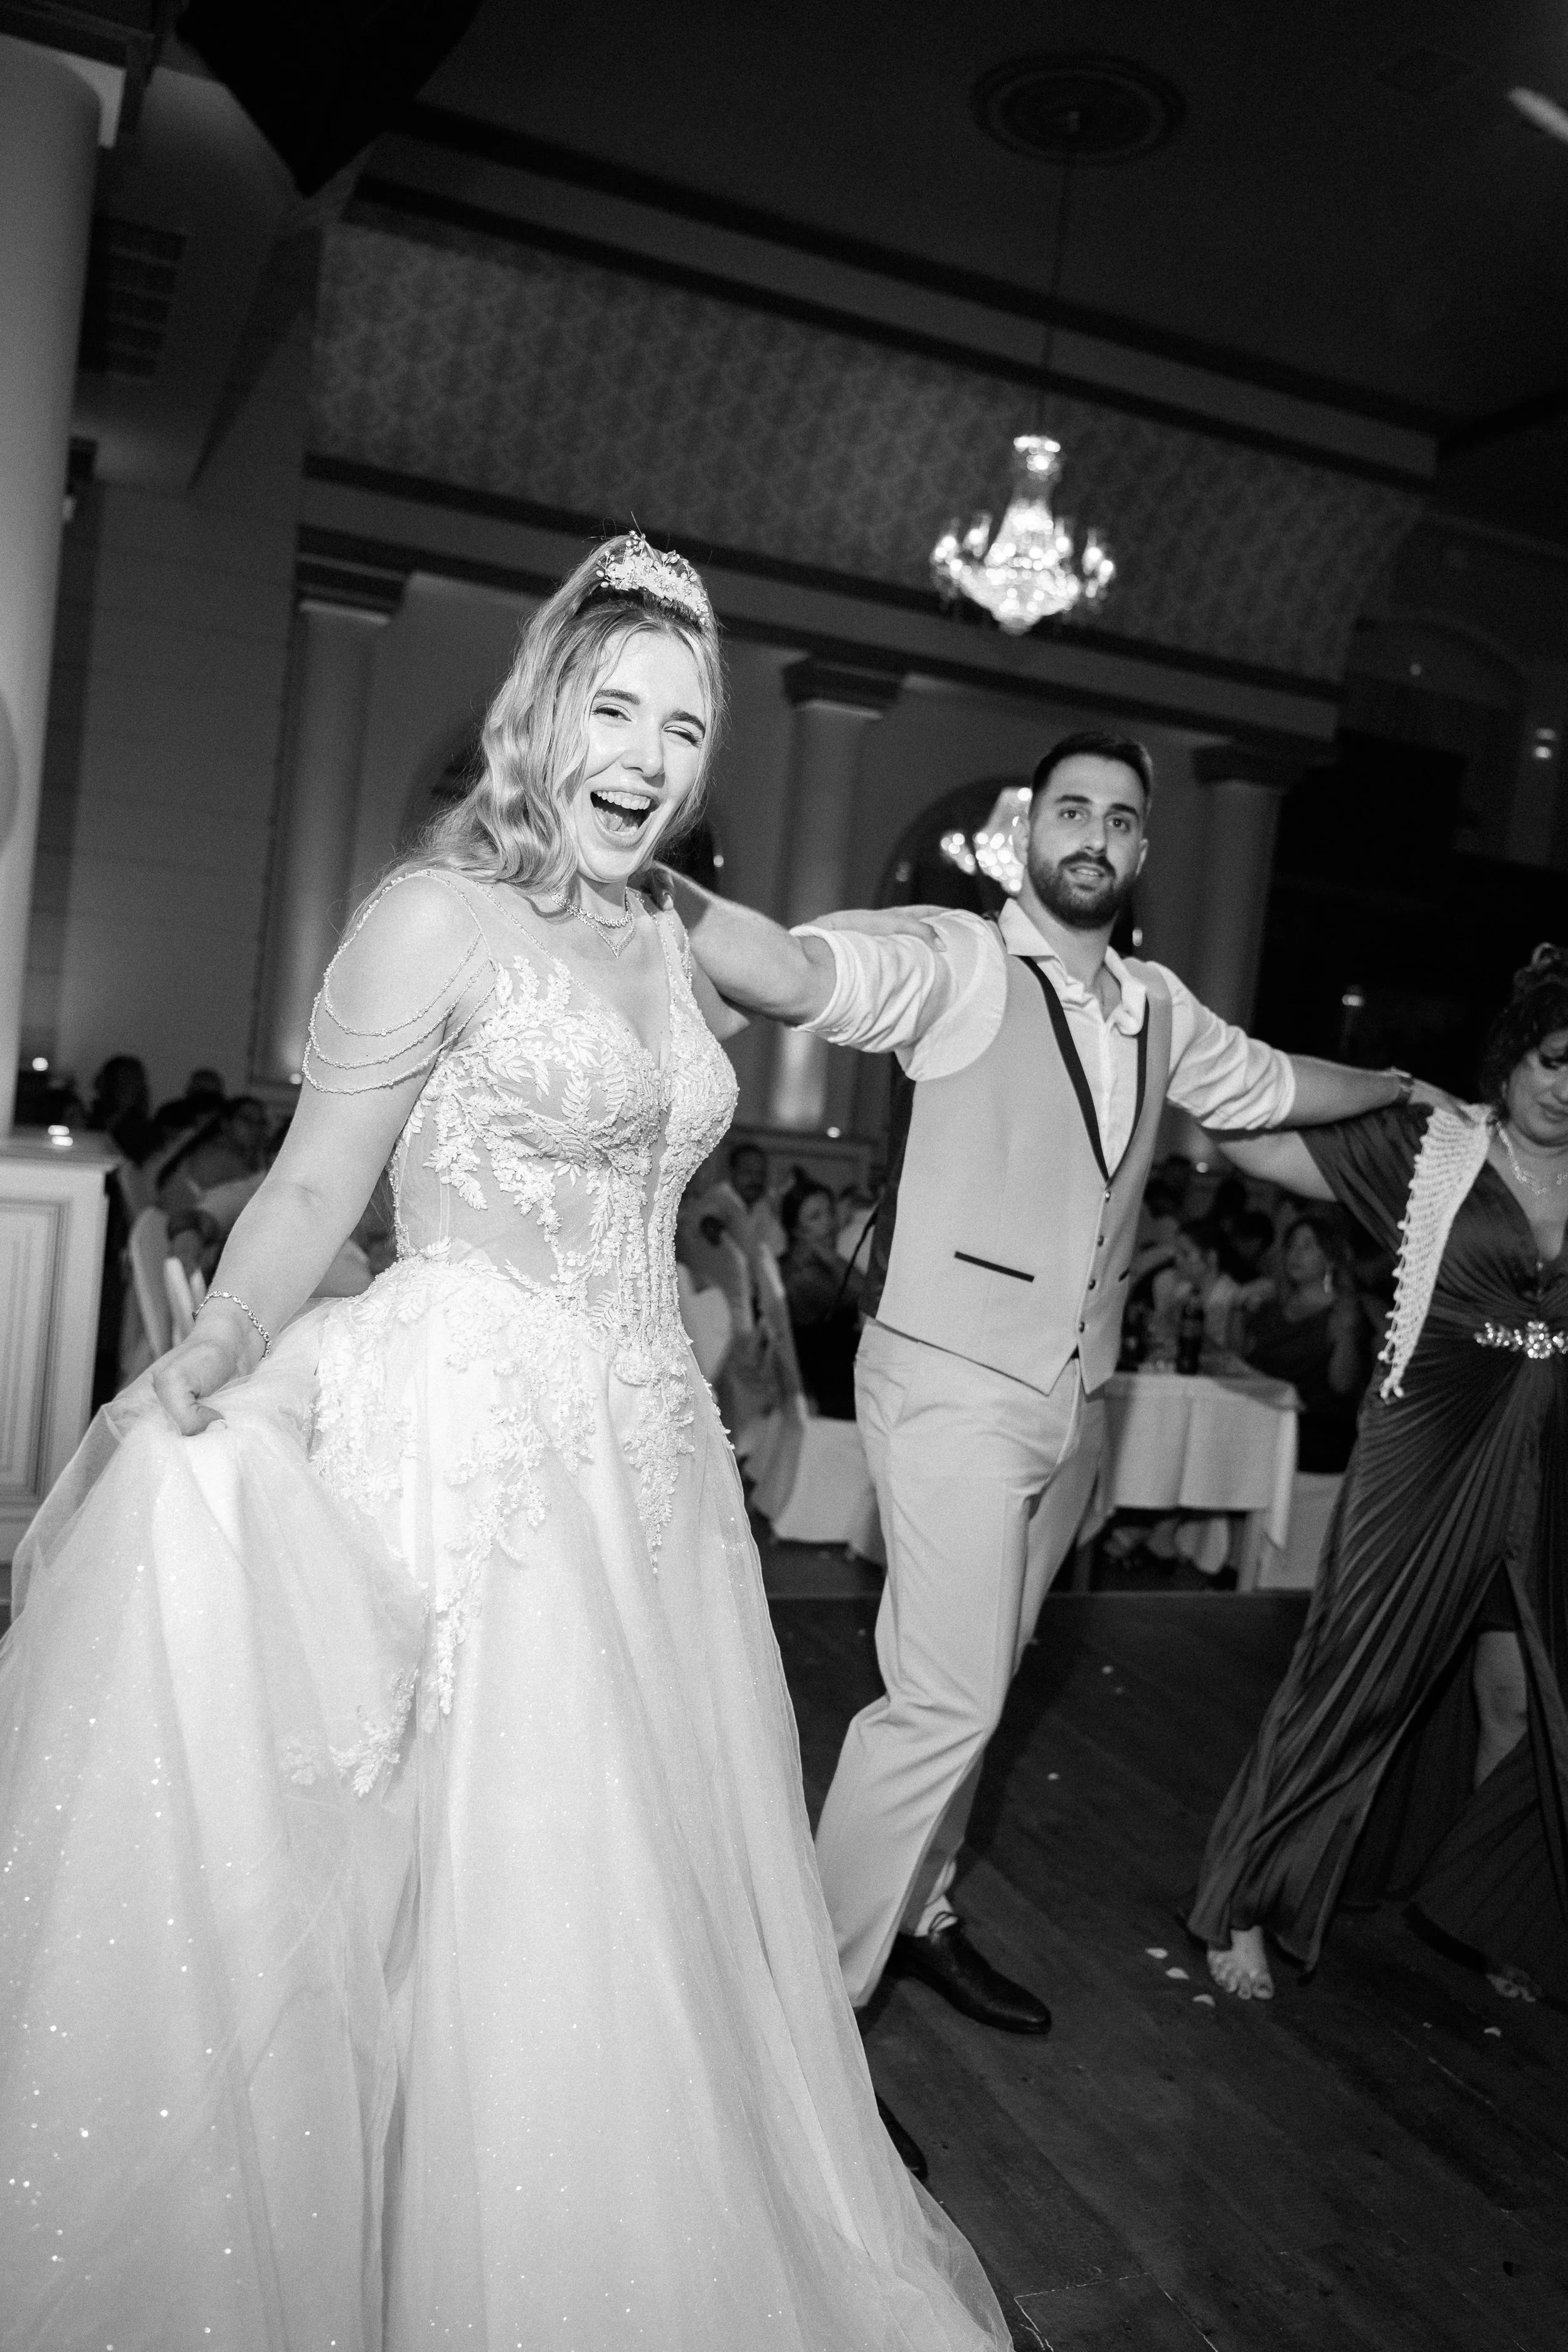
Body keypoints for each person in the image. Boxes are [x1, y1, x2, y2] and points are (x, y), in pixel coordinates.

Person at [0, 533, 1010, 2350]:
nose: (646, 753)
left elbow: (815, 988)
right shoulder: (431, 913)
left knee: (660, 1882)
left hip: (655, 1464)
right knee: (497, 1867)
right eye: (615, 707)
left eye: (685, 728)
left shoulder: (677, 929)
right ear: (541, 709)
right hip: (472, 1437)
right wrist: (221, 1337)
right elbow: (317, 1181)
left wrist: (978, 959)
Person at [660, 728, 1429, 2065]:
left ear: (1136, 851)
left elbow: (1263, 1083)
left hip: (1073, 1401)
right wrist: (658, 893)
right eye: (1067, 810)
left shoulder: (1158, 1007)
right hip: (951, 1380)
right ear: (1026, 838)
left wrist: (1397, 1088)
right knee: (939, 1700)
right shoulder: (959, 962)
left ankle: (919, 1909)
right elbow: (806, 971)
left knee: (986, 1680)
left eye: (1117, 819)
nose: (1091, 834)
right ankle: (809, 2025)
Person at [1189, 946, 1568, 2004]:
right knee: (1354, 1680)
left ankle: (1499, 1911)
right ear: (1512, 1059)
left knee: (1525, 1701)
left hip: (1551, 1468)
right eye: (1552, 1059)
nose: (1565, 1087)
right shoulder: (1437, 1150)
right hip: (1434, 1451)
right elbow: (1246, 1137)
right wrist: (1390, 1085)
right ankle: (1249, 1900)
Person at [1238, 1209, 1367, 1471]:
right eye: (1292, 1246)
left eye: (1307, 1246)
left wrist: (1346, 1337)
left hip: (1313, 1433)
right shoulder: (1273, 1306)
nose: (1296, 1254)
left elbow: (1343, 1385)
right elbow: (1245, 1361)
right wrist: (1236, 1311)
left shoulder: (1343, 1313)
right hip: (1263, 1418)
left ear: (1330, 1258)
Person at [778, 1177, 863, 1419]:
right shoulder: (803, 1276)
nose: (829, 1224)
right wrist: (829, 1257)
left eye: (830, 1213)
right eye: (815, 1217)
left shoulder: (800, 1265)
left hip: (837, 1390)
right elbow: (868, 1293)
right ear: (796, 1230)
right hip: (833, 1401)